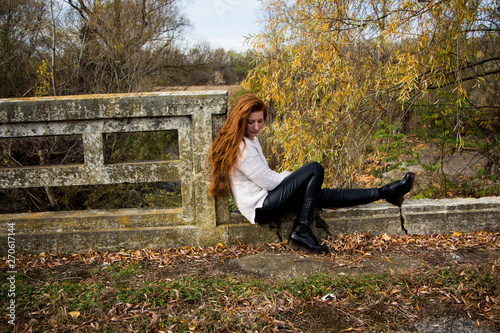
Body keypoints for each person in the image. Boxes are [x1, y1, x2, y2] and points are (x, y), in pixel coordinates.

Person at [207, 94, 415, 254]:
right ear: (240, 119)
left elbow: (268, 178)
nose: (256, 127)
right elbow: (269, 182)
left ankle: (386, 192)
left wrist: (295, 180)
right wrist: (295, 176)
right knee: (314, 168)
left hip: (266, 200)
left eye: (260, 121)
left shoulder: (248, 140)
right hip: (261, 207)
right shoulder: (241, 148)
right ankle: (301, 230)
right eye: (251, 122)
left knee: (322, 196)